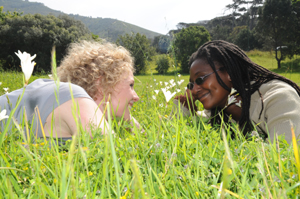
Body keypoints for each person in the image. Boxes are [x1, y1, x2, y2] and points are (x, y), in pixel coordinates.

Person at [0, 40, 140, 142]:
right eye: (131, 85)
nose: (136, 96)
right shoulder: (78, 101)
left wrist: (126, 117)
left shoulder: (60, 94)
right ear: (101, 82)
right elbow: (117, 158)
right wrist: (132, 124)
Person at [174, 40, 300, 143]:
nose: (195, 89)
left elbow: (281, 154)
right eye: (191, 84)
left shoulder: (279, 98)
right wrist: (185, 104)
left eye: (200, 79)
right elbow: (173, 131)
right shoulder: (217, 114)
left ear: (229, 73)